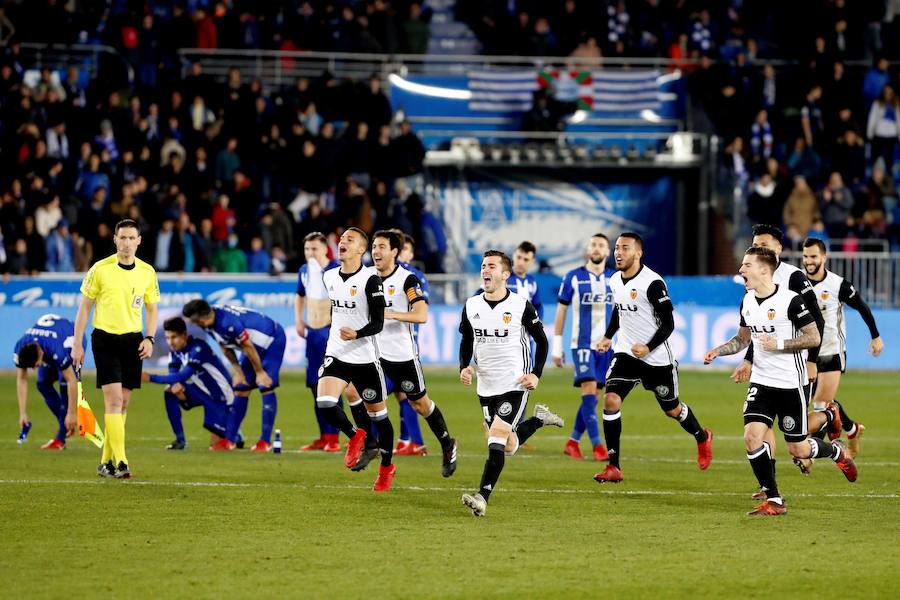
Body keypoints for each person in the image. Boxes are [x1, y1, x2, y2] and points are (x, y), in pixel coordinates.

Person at [704, 246, 857, 516]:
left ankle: (836, 452)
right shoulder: (748, 301)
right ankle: (774, 499)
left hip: (790, 384)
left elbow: (813, 337)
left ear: (764, 269)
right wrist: (720, 350)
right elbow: (742, 339)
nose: (741, 270)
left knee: (798, 448)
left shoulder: (791, 301)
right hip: (761, 383)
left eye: (746, 265)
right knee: (752, 437)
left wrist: (780, 344)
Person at [594, 233, 713, 484]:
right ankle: (613, 466)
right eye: (617, 248)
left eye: (625, 248)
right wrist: (607, 336)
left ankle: (702, 437)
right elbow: (619, 309)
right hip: (626, 352)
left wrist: (648, 347)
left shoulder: (653, 283)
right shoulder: (615, 280)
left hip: (656, 358)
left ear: (638, 253)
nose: (618, 253)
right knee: (611, 400)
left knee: (672, 409)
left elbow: (669, 323)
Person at [458, 250, 563, 517]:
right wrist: (465, 367)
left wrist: (536, 373)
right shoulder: (472, 305)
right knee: (508, 444)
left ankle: (482, 496)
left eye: (491, 266)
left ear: (505, 275)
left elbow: (542, 340)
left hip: (515, 383)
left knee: (496, 438)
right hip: (486, 386)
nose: (485, 270)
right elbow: (467, 340)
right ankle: (539, 420)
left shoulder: (519, 305)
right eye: (483, 265)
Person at [731, 224, 826, 478]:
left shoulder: (793, 277)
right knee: (758, 430)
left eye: (764, 245)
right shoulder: (753, 280)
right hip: (764, 371)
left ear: (779, 249)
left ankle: (828, 417)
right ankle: (769, 486)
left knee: (797, 447)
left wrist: (812, 361)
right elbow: (758, 327)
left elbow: (816, 321)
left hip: (792, 367)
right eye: (755, 245)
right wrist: (749, 360)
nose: (758, 249)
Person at [72, 219, 160, 480]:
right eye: (122, 238)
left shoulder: (147, 272)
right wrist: (77, 343)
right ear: (115, 239)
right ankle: (121, 461)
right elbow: (84, 308)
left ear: (139, 241)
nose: (127, 243)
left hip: (133, 342)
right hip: (105, 340)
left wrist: (150, 338)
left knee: (123, 406)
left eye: (132, 238)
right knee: (114, 401)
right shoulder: (100, 269)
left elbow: (152, 308)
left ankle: (105, 462)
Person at [315, 227, 397, 492]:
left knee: (380, 418)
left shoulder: (371, 280)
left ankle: (386, 469)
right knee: (325, 403)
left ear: (361, 250)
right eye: (340, 239)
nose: (342, 242)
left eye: (349, 240)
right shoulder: (329, 277)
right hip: (337, 352)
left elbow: (379, 322)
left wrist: (358, 333)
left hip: (365, 358)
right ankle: (355, 436)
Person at [371, 229, 458, 476]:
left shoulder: (408, 280)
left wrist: (391, 314)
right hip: (374, 356)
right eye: (374, 246)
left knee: (420, 404)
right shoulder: (367, 277)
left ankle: (446, 442)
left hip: (402, 357)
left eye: (381, 247)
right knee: (360, 393)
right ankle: (375, 450)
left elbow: (421, 315)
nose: (376, 251)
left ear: (394, 252)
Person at [801, 238, 883, 458]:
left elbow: (862, 306)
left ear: (824, 258)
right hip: (806, 354)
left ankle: (811, 454)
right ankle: (853, 430)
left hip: (831, 352)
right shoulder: (797, 284)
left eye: (814, 256)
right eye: (806, 256)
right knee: (814, 404)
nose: (809, 261)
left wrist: (875, 336)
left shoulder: (838, 285)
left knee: (820, 405)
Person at [182, 300, 286, 453]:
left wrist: (260, 372)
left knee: (266, 385)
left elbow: (247, 346)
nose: (194, 324)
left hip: (272, 340)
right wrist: (239, 372)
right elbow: (224, 346)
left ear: (201, 319)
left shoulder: (227, 323)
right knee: (241, 388)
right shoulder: (210, 322)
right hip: (251, 345)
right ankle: (229, 440)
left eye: (194, 321)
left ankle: (265, 442)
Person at [552, 233, 613, 461]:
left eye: (601, 245)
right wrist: (557, 346)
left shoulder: (614, 278)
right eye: (593, 245)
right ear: (588, 250)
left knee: (594, 396)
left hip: (607, 347)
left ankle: (572, 441)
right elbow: (561, 311)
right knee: (588, 390)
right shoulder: (573, 277)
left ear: (607, 252)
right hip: (582, 344)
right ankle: (598, 446)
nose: (596, 248)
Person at [140, 317, 234, 450]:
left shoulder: (198, 348)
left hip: (221, 396)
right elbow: (174, 376)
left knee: (217, 447)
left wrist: (150, 378)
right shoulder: (174, 352)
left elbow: (184, 375)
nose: (170, 342)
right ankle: (180, 440)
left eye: (174, 337)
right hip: (202, 391)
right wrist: (175, 386)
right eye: (167, 338)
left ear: (184, 335)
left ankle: (234, 433)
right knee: (170, 392)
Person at [295, 232, 342, 453]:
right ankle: (324, 436)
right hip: (312, 334)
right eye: (307, 249)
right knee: (315, 387)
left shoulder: (335, 271)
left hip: (328, 334)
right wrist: (298, 320)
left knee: (332, 385)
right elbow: (299, 295)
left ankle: (335, 437)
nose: (310, 253)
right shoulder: (304, 271)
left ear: (325, 249)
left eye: (314, 249)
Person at [14, 315, 83, 450]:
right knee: (42, 383)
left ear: (41, 354)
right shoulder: (19, 348)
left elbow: (72, 380)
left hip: (71, 338)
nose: (34, 369)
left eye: (35, 365)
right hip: (50, 339)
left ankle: (61, 437)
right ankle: (66, 425)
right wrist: (22, 413)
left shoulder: (56, 350)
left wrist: (72, 412)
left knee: (64, 384)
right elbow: (22, 379)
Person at [390, 229, 431, 455]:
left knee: (406, 393)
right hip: (389, 341)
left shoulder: (411, 275)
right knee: (401, 394)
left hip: (403, 340)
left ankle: (414, 441)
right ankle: (406, 440)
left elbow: (422, 308)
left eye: (406, 249)